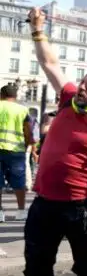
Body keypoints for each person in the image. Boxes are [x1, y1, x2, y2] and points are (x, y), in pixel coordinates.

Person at [3, 7, 87, 276]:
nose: (82, 87)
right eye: (83, 82)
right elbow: (49, 63)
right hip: (45, 203)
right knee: (36, 266)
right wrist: (37, 30)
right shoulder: (66, 99)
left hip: (83, 207)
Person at [0, 84, 34, 223]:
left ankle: (0, 212)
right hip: (17, 151)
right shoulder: (23, 110)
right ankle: (20, 211)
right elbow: (28, 131)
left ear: (1, 95)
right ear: (15, 96)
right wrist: (27, 146)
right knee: (19, 182)